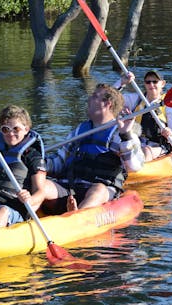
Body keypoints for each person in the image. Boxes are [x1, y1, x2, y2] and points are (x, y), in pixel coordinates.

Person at [45, 83, 145, 211]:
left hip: (99, 190)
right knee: (43, 185)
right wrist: (37, 164)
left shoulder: (120, 132)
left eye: (94, 96)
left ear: (107, 103)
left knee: (98, 189)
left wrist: (126, 135)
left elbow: (135, 166)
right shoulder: (80, 131)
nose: (89, 99)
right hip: (70, 188)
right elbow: (59, 161)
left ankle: (77, 216)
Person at [116, 69, 172, 161]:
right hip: (137, 141)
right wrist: (121, 82)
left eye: (155, 81)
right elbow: (110, 98)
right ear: (144, 84)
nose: (151, 85)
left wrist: (170, 134)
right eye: (148, 82)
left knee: (145, 151)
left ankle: (137, 170)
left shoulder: (167, 105)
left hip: (158, 145)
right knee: (116, 145)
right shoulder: (136, 99)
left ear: (162, 83)